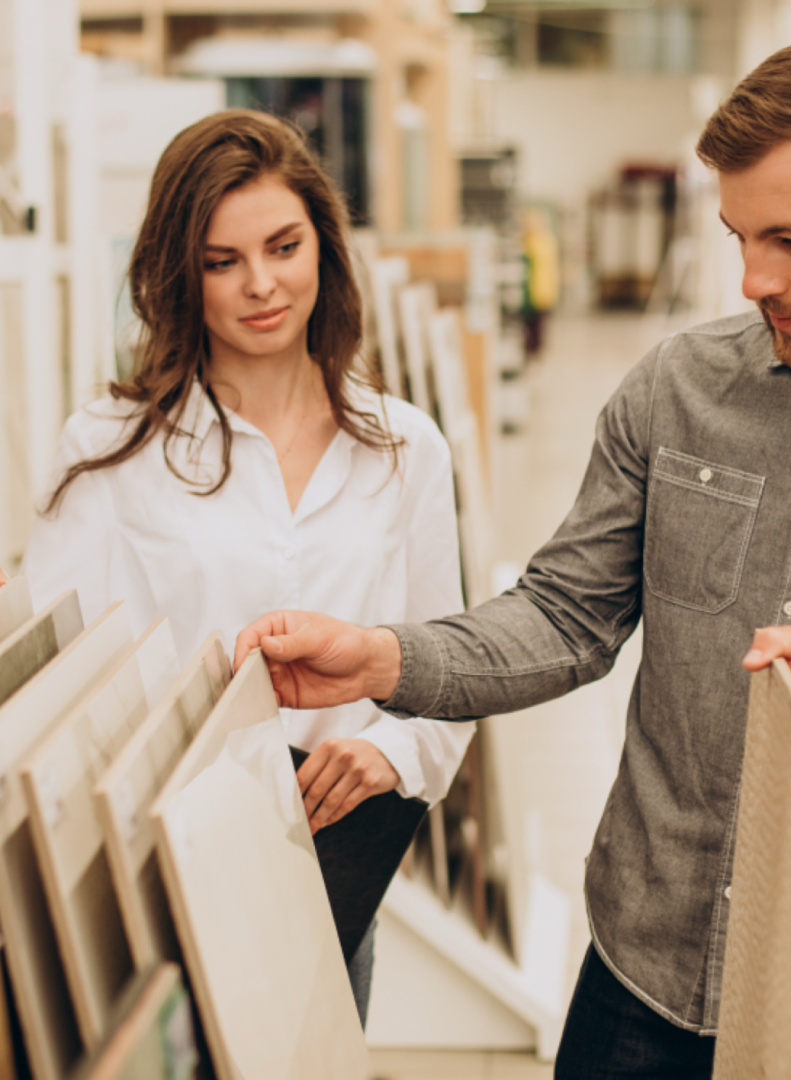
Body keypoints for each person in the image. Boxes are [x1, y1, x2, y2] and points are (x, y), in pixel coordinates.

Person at [235, 31, 791, 1080]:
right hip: (638, 988)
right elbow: (565, 616)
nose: (753, 276)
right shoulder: (679, 389)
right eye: (738, 235)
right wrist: (386, 660)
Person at [21, 110, 474, 1026]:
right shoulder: (111, 452)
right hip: (162, 882)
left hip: (331, 871)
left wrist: (387, 752)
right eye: (222, 261)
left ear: (324, 247)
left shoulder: (402, 448)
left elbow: (449, 666)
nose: (261, 285)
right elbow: (57, 703)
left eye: (283, 246)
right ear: (178, 275)